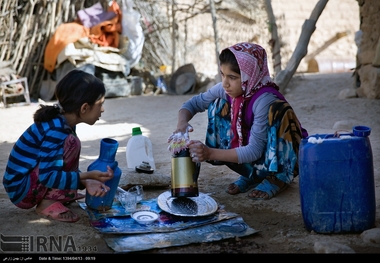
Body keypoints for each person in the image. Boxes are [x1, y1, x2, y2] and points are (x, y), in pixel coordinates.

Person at [168, 42, 308, 200]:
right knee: (218, 104)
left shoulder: (265, 99)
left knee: (278, 111)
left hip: (284, 154)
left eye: (232, 77)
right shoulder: (227, 89)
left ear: (250, 76)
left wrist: (209, 153)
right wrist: (182, 125)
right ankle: (252, 173)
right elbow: (193, 104)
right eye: (222, 74)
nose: (225, 83)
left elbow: (254, 150)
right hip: (254, 151)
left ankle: (277, 177)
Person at [2, 69, 114, 222]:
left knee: (71, 144)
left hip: (28, 182)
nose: (102, 109)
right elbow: (48, 176)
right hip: (22, 190)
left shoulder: (63, 123)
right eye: (100, 104)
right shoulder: (56, 131)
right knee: (72, 143)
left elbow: (57, 164)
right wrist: (86, 176)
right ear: (84, 108)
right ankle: (46, 203)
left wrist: (85, 181)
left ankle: (57, 194)